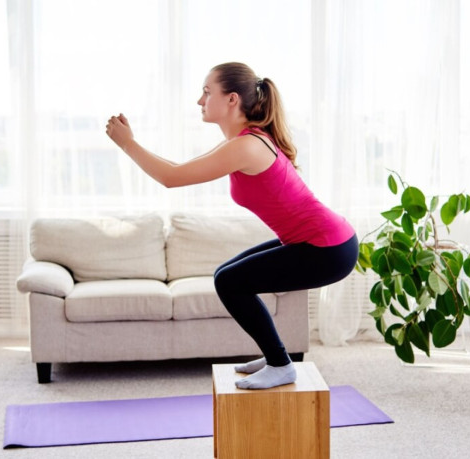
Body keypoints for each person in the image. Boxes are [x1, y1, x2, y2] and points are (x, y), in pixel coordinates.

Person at [105, 62, 358, 389]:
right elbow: (177, 169)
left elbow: (170, 179)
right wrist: (132, 142)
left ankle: (281, 364)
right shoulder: (243, 140)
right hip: (325, 241)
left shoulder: (246, 146)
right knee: (227, 274)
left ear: (232, 100)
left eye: (207, 92)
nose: (200, 100)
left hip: (327, 249)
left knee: (229, 281)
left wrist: (127, 144)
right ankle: (275, 357)